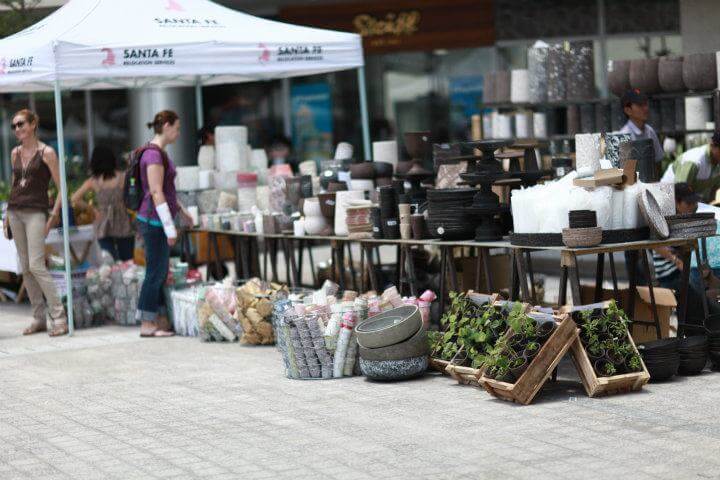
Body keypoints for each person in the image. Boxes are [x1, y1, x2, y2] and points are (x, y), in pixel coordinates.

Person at [2, 109, 68, 336]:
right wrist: (6, 215)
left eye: (20, 124)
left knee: (37, 265)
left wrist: (53, 216)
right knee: (26, 267)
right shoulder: (15, 153)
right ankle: (38, 317)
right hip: (15, 212)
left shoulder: (47, 152)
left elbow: (62, 188)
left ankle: (59, 316)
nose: (17, 129)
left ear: (33, 125)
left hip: (36, 213)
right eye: (14, 126)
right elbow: (14, 184)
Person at [135, 110, 192, 337]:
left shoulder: (158, 153)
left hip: (155, 219)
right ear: (166, 126)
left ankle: (157, 320)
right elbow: (157, 191)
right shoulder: (154, 155)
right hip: (154, 220)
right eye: (177, 128)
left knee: (158, 271)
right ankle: (147, 324)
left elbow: (166, 191)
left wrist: (183, 212)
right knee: (155, 272)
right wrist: (170, 228)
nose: (178, 133)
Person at [651, 183, 719, 326]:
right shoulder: (664, 217)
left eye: (694, 202)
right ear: (677, 202)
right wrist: (678, 261)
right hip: (671, 275)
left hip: (683, 270)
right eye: (688, 203)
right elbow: (656, 245)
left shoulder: (684, 216)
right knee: (704, 301)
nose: (693, 206)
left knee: (708, 288)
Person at [71, 145, 134, 261]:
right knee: (127, 261)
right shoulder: (123, 177)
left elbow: (74, 199)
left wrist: (92, 209)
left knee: (109, 261)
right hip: (123, 220)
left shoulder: (93, 181)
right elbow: (134, 193)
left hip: (102, 222)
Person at [661, 131, 720, 202]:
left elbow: (714, 189)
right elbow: (680, 194)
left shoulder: (716, 162)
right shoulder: (693, 161)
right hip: (669, 200)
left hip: (693, 203)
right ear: (712, 145)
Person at [619, 89, 664, 165]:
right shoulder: (624, 135)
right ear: (628, 110)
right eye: (640, 105)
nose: (645, 108)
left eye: (645, 104)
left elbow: (658, 161)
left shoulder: (650, 131)